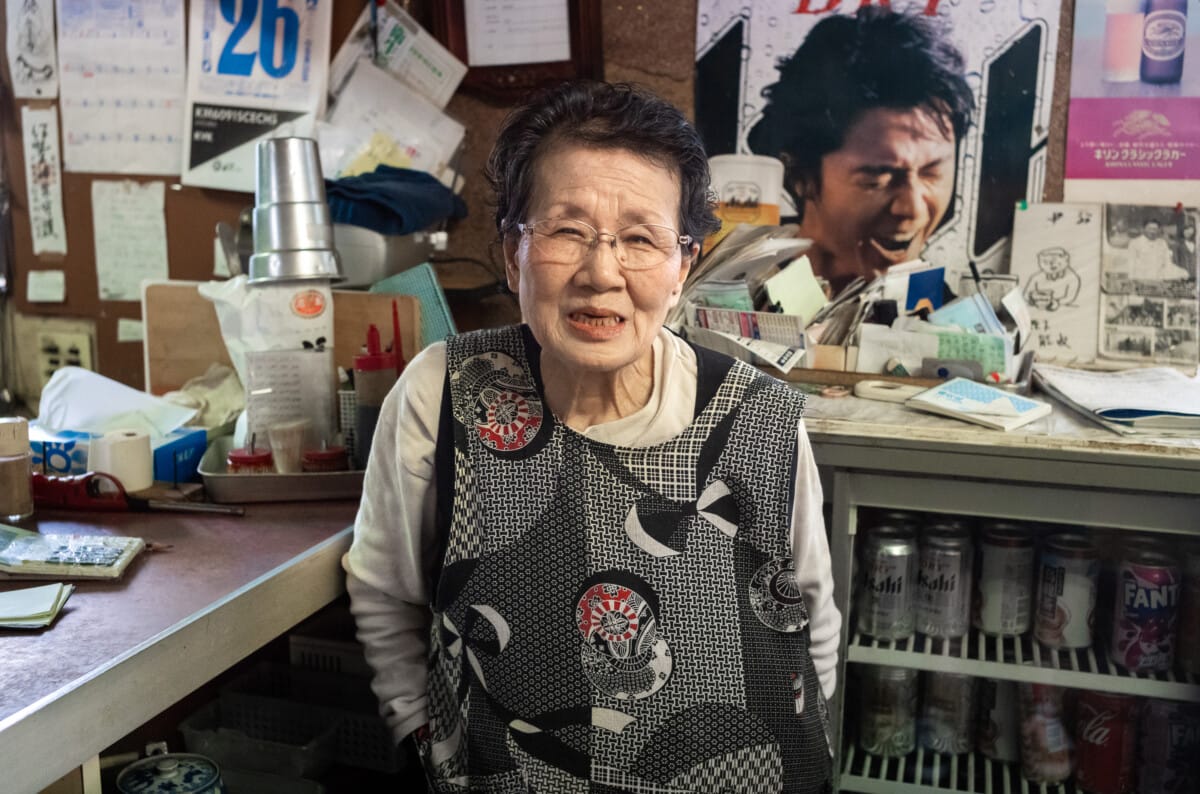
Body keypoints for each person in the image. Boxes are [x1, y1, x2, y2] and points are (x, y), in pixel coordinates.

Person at [344, 80, 840, 792]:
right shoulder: (445, 393)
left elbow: (811, 623)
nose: (601, 273)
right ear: (513, 251)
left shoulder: (762, 421)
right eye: (566, 230)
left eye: (641, 239)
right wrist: (422, 733)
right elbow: (385, 589)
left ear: (682, 268)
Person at [748, 7, 975, 293]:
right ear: (800, 175)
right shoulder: (739, 295)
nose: (913, 209)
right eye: (878, 178)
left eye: (932, 172)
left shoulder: (944, 315)